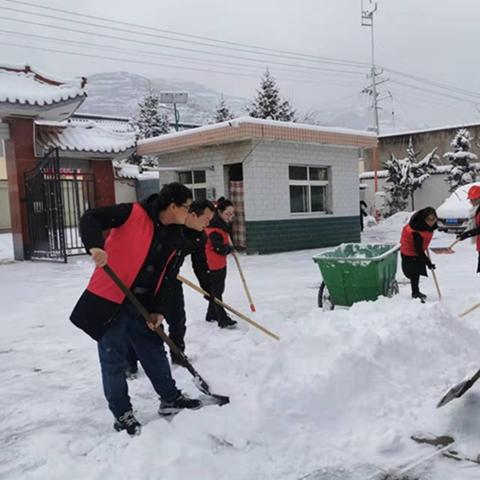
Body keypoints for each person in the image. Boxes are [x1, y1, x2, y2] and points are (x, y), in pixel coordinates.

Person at [70, 183, 201, 436]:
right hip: (111, 300)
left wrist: (159, 310)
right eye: (186, 207)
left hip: (145, 306)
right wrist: (95, 246)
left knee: (154, 353)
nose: (188, 212)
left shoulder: (174, 235)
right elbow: (91, 217)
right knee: (113, 361)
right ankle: (122, 414)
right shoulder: (132, 213)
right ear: (172, 206)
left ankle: (170, 398)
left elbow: (168, 277)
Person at [125, 199, 215, 371]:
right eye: (207, 219)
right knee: (143, 321)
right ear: (193, 215)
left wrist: (209, 290)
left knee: (178, 320)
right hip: (148, 280)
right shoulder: (172, 227)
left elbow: (201, 265)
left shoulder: (199, 237)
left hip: (171, 281)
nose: (208, 223)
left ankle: (178, 354)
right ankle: (130, 362)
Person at [204, 197, 237, 329]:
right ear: (220, 213)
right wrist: (229, 249)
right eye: (228, 214)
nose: (231, 216)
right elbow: (220, 249)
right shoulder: (214, 230)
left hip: (219, 264)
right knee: (217, 292)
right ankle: (222, 319)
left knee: (216, 290)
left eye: (232, 213)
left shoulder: (221, 226)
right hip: (213, 265)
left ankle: (211, 314)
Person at [400, 207, 438, 303]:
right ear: (424, 219)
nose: (432, 222)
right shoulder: (416, 230)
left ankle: (416, 292)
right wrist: (428, 263)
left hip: (417, 250)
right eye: (429, 219)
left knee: (416, 271)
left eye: (434, 219)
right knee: (414, 272)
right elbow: (419, 251)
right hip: (408, 252)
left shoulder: (426, 226)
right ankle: (415, 293)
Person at [456, 185, 480, 272]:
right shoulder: (475, 210)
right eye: (471, 199)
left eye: (474, 199)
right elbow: (473, 226)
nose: (472, 201)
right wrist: (464, 234)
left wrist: (467, 234)